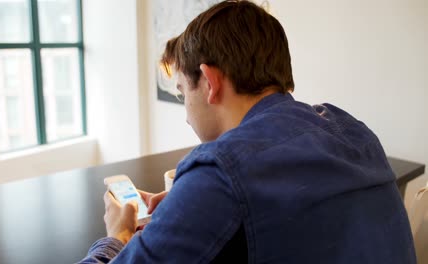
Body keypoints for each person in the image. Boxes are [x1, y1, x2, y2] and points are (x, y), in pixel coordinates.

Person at [79, 1, 416, 263]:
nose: (185, 115)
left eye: (183, 93)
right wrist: (193, 201)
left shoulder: (221, 168)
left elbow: (237, 180)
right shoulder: (354, 132)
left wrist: (118, 236)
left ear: (209, 83)